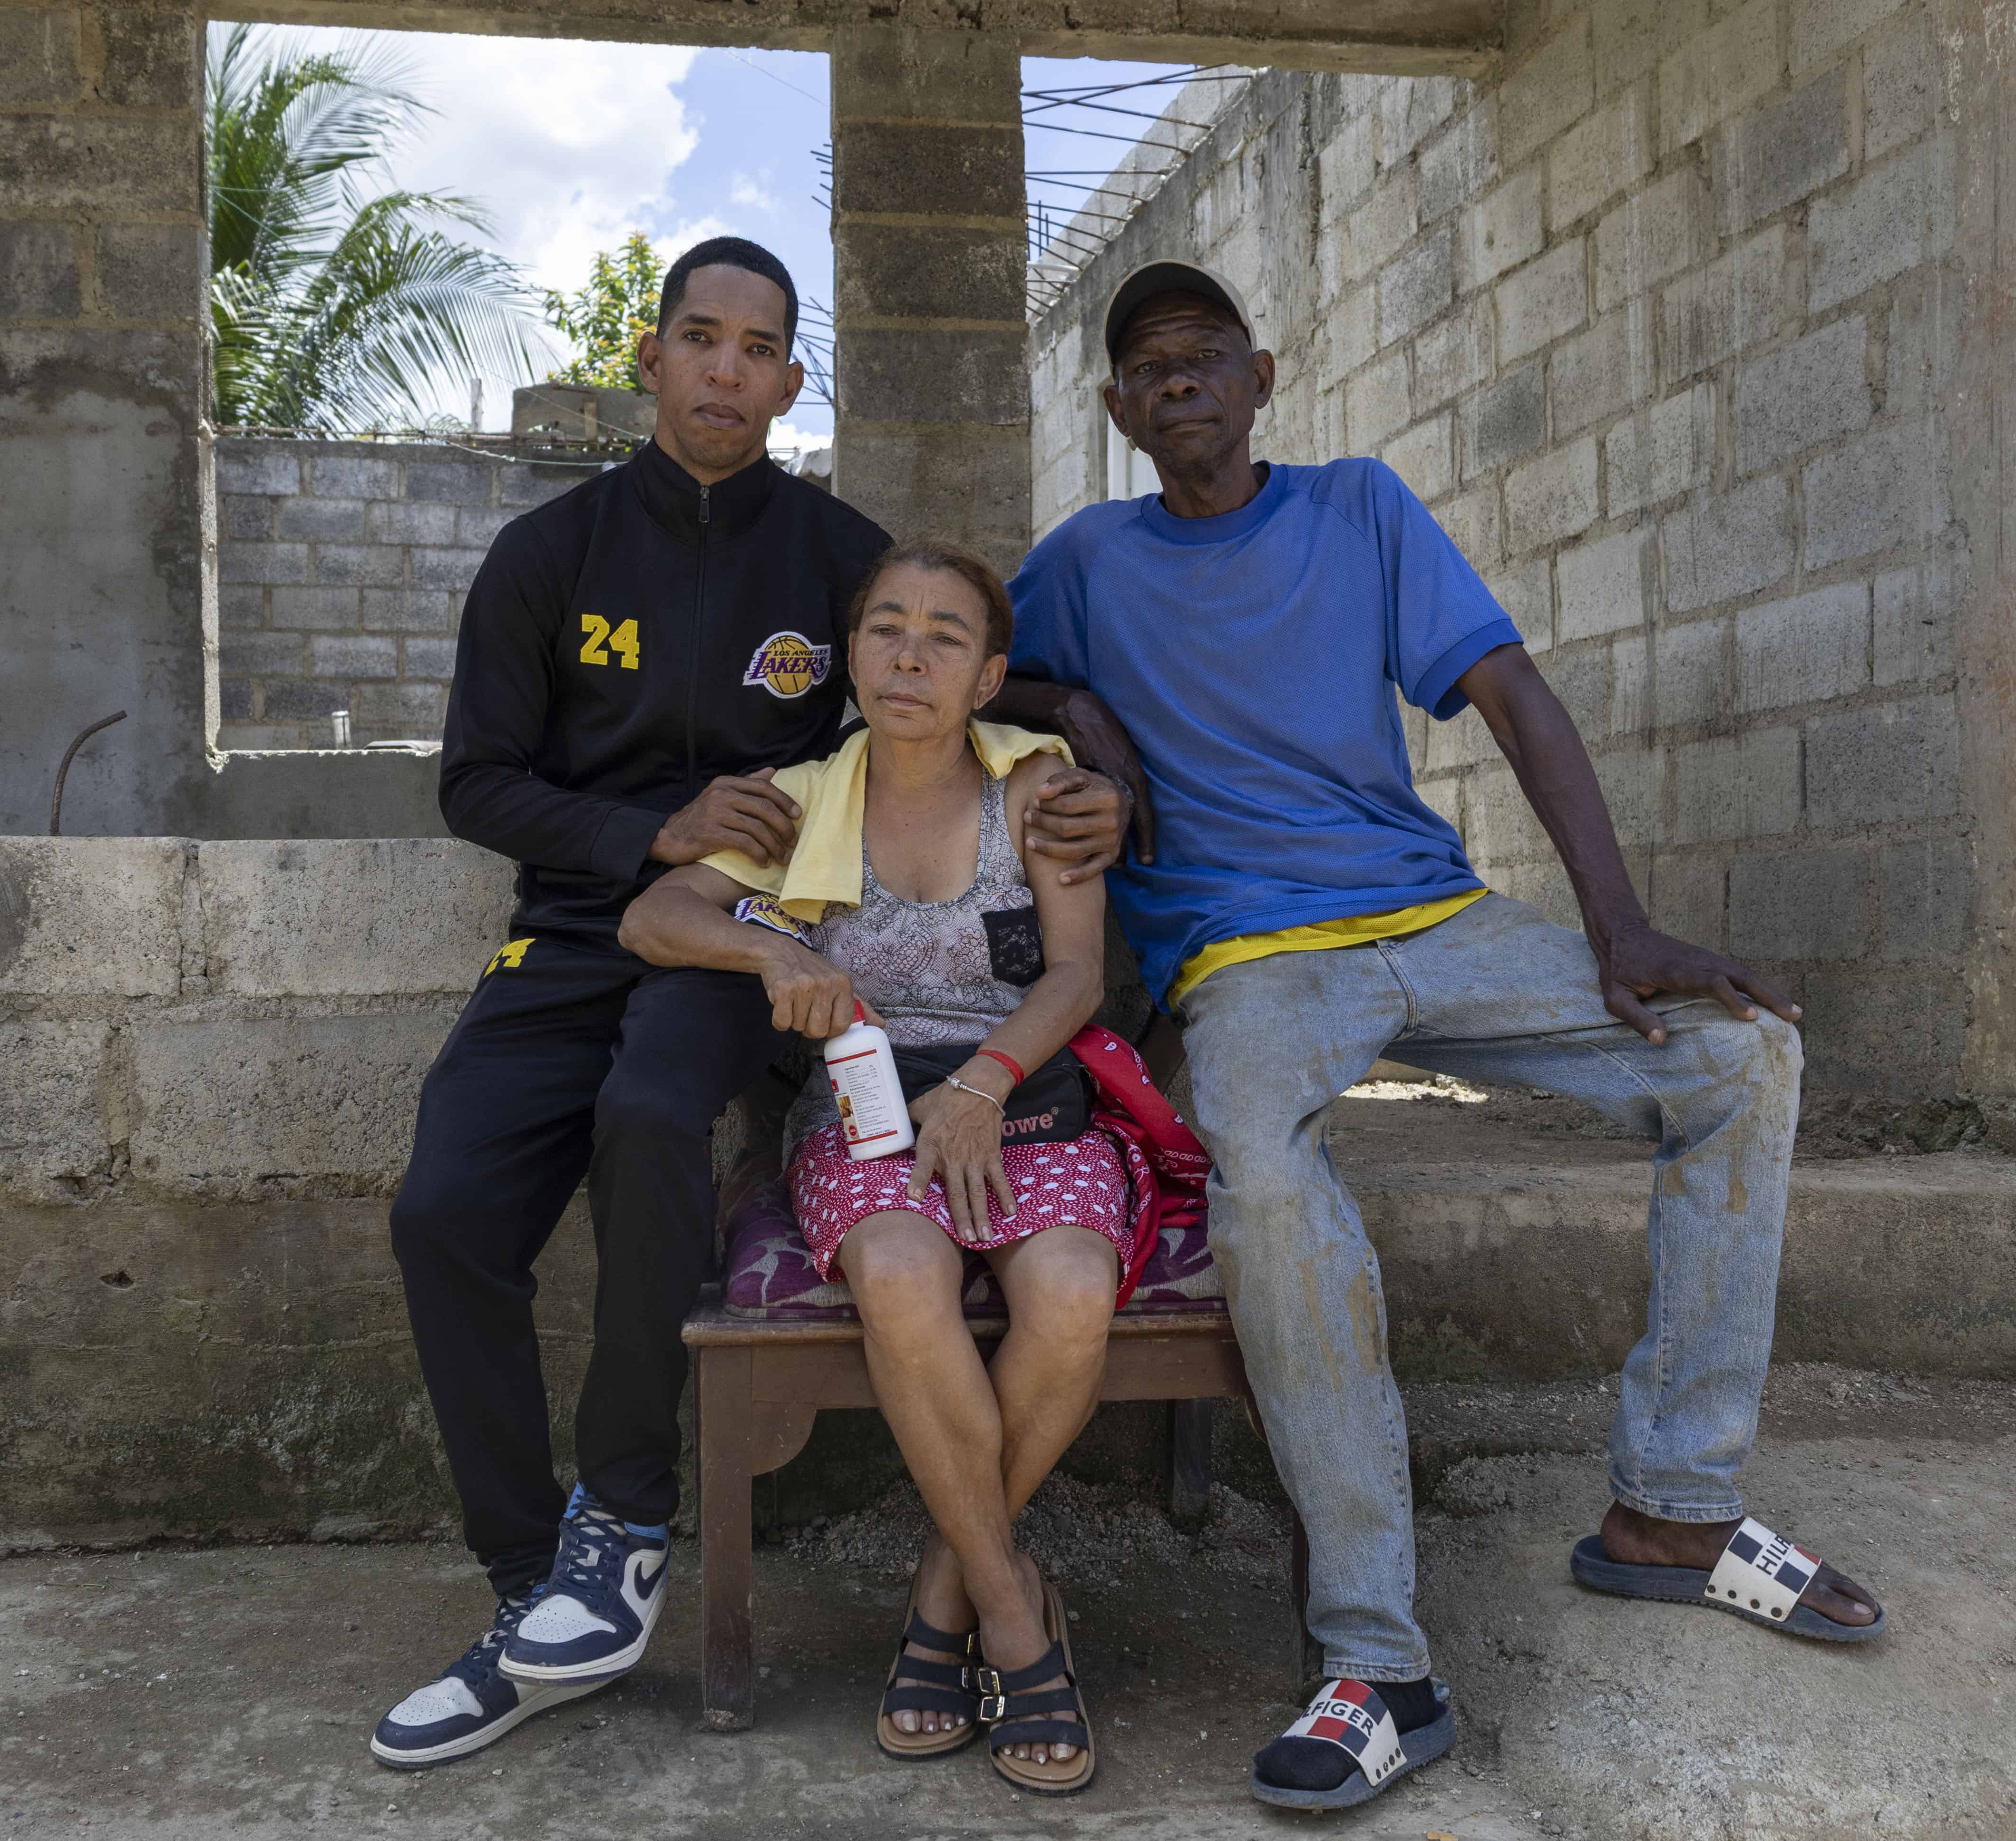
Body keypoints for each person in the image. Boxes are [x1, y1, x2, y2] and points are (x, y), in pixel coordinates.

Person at [1001, 261, 1886, 1812]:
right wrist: (1073, 705)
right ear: (1117, 408)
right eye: (1150, 367)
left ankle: (1673, 1508)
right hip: (1248, 958)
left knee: (1738, 1053)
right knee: (1265, 1179)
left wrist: (1619, 925)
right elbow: (957, 659)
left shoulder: (1357, 510)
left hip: (1434, 920)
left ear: (1263, 376)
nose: (1182, 382)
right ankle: (1379, 1663)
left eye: (1209, 357)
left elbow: (1512, 692)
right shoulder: (1083, 561)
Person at [370, 240, 1130, 1772]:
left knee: (654, 1120)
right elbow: (475, 781)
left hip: (754, 937)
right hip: (588, 924)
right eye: (698, 338)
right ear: (651, 358)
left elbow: (979, 670)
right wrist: (640, 833)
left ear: (791, 381)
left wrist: (1108, 782)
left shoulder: (836, 552)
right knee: (442, 1210)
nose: (726, 368)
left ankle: (629, 1509)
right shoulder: (550, 556)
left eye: (759, 347)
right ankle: (538, 1577)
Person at [623, 539, 1131, 1795]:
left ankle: (950, 1591)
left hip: (1024, 1097)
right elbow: (654, 914)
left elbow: (1076, 975)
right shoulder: (801, 800)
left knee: (1070, 1293)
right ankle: (1019, 1623)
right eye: (886, 628)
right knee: (900, 1270)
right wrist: (773, 956)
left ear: (989, 673)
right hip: (863, 1117)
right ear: (848, 656)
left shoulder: (1040, 788)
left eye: (946, 636)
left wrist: (983, 1083)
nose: (911, 655)